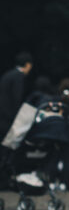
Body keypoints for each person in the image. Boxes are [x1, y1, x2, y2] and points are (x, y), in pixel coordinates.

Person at [0, 53, 34, 187]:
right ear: (27, 65)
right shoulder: (19, 77)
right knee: (9, 150)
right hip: (9, 119)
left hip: (2, 117)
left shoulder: (7, 75)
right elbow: (16, 99)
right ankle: (7, 179)